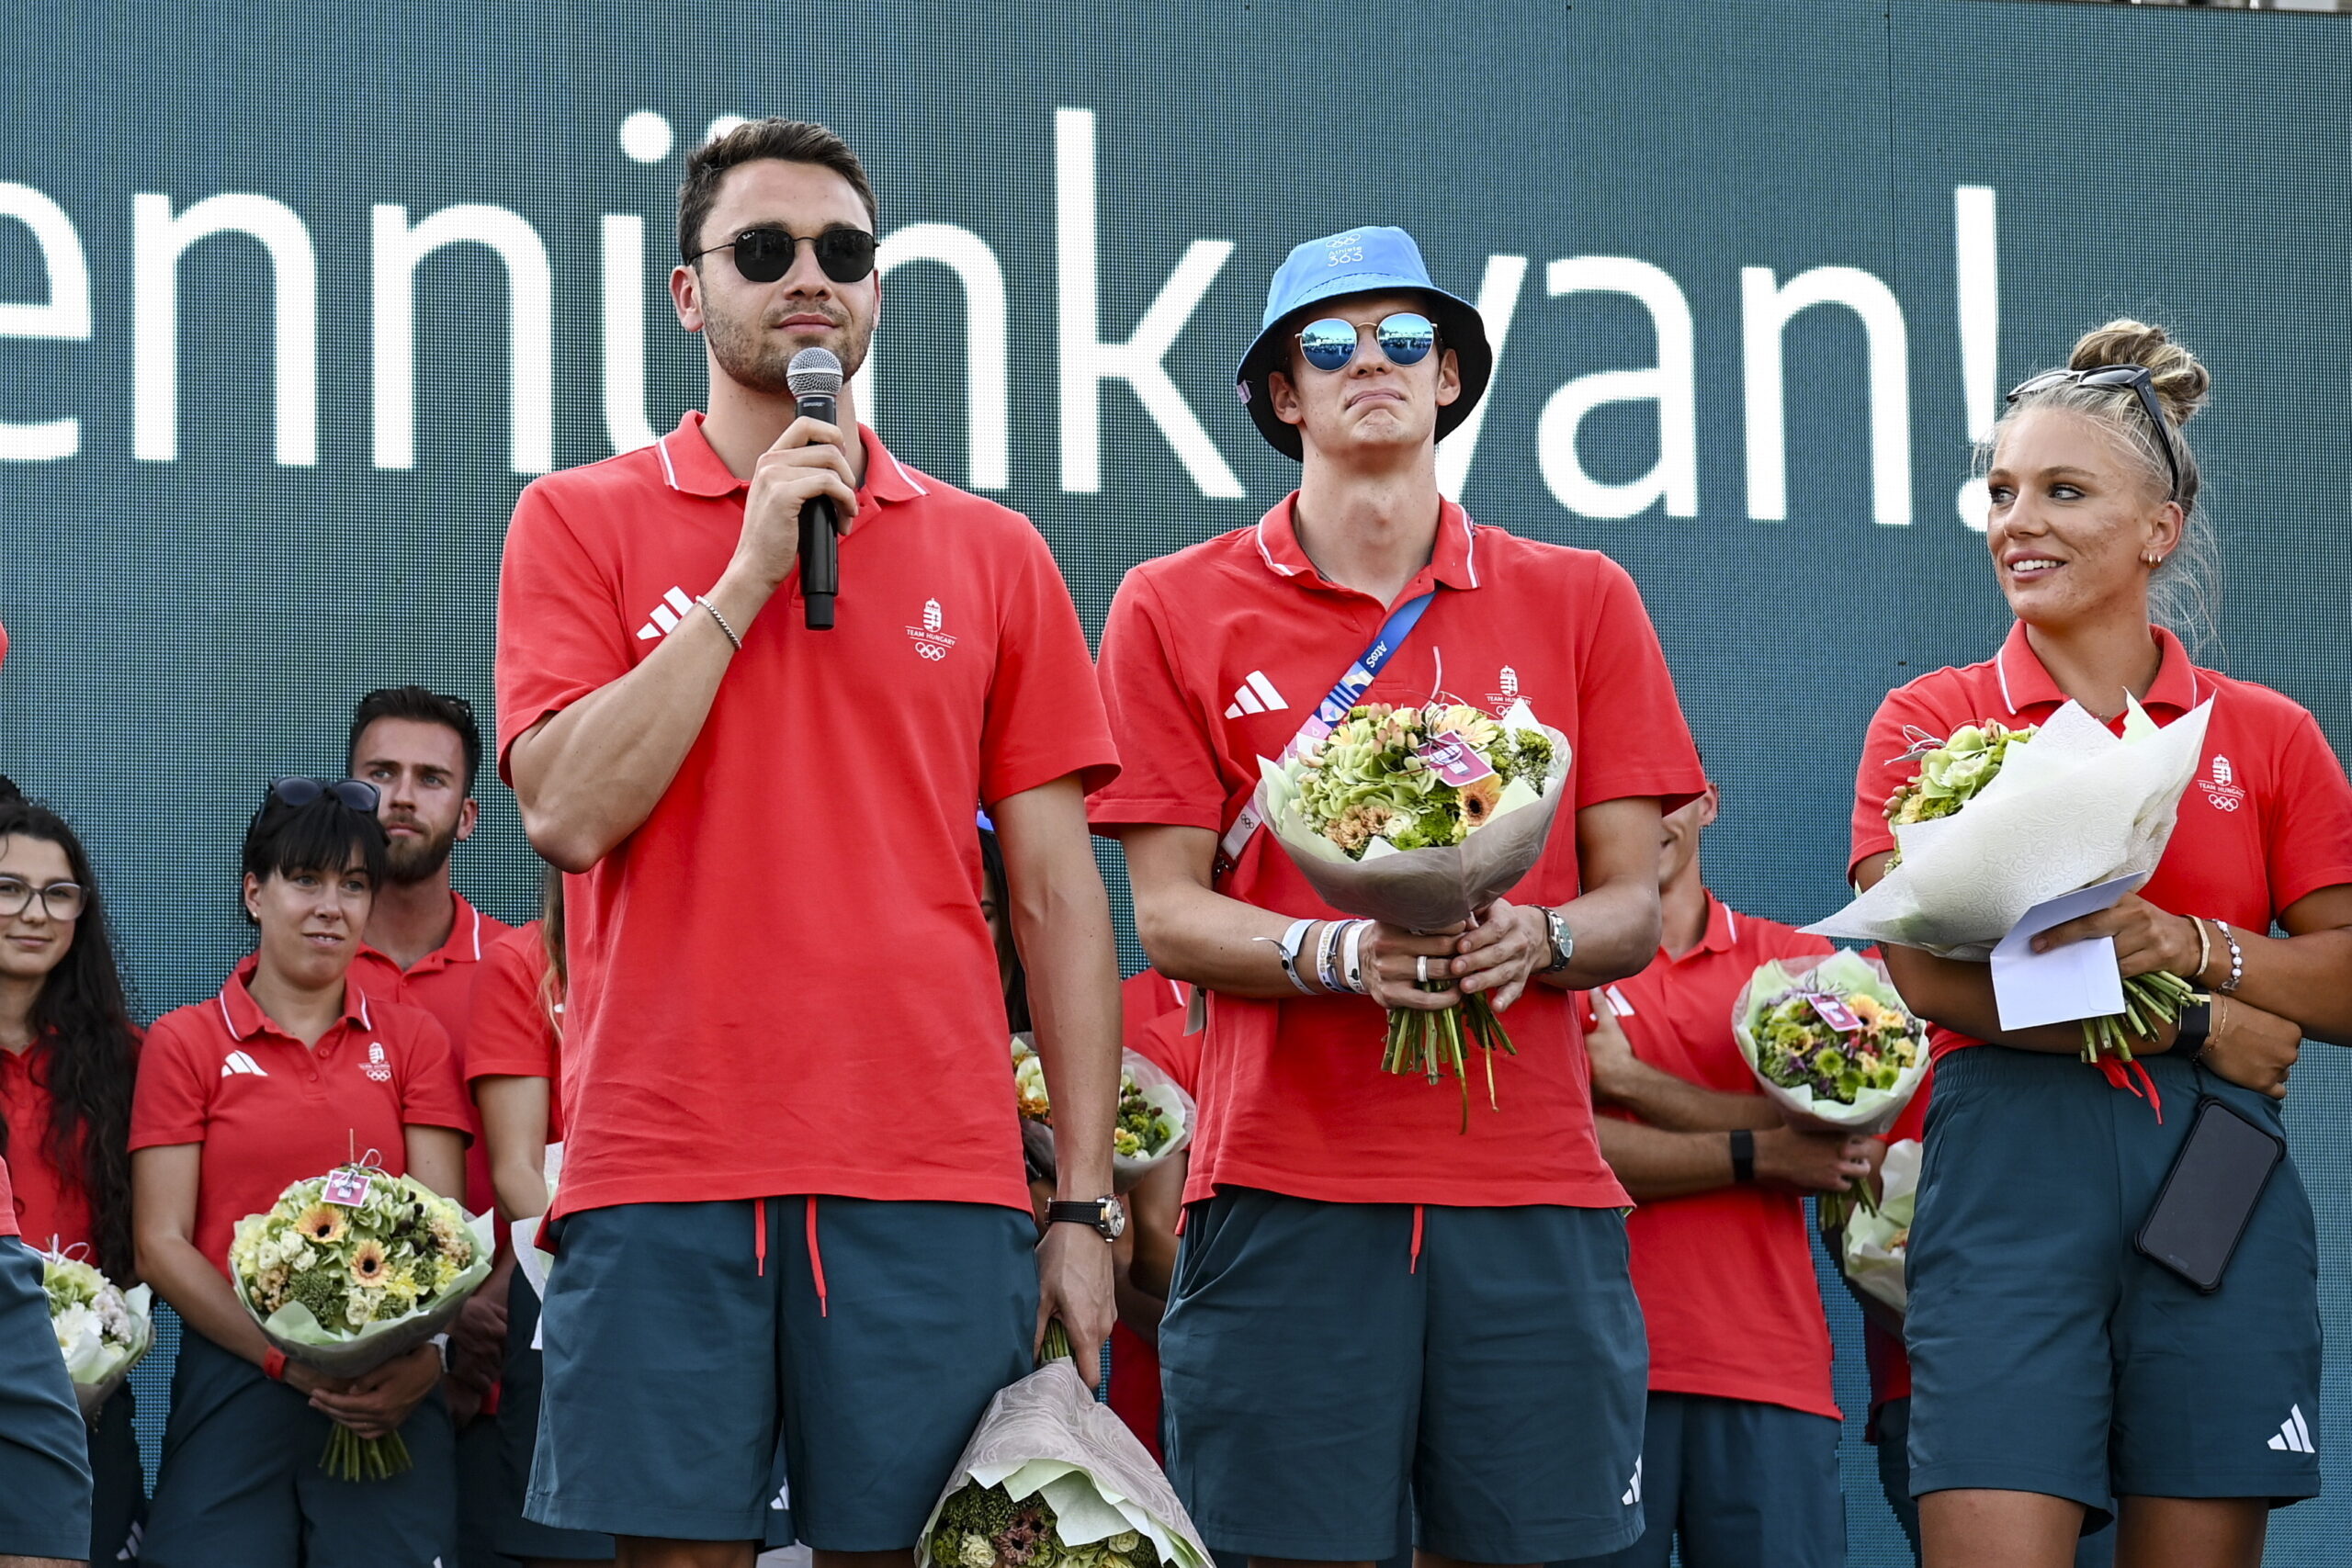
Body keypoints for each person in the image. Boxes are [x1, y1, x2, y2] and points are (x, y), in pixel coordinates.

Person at [494, 118, 1124, 1568]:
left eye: (843, 253)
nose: (807, 279)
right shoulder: (575, 520)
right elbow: (567, 811)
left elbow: (1056, 898)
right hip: (665, 1163)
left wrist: (1082, 1207)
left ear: (879, 293)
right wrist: (749, 567)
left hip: (932, 1172)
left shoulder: (994, 549)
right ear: (686, 291)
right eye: (762, 250)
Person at [1091, 224, 1704, 1568]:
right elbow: (1172, 916)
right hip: (1283, 1191)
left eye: (1405, 339)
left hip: (1533, 1194)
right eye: (1327, 343)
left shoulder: (1585, 596)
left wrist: (1532, 936)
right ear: (1283, 396)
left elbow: (1632, 912)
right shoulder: (1170, 604)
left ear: (1448, 382)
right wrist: (1333, 949)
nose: (1369, 359)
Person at [1851, 321, 2352, 1568]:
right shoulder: (1930, 718)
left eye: (2066, 491)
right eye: (2004, 491)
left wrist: (2189, 942)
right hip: (2008, 1169)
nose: (2021, 521)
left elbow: (2339, 977)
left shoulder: (2269, 733)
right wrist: (2199, 1020)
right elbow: (1926, 976)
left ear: (2158, 530)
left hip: (2215, 1178)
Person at [130, 779, 476, 1568]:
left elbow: (445, 1232)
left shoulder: (415, 1039)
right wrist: (287, 1356)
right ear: (255, 892)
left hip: (388, 1392)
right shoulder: (186, 1042)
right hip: (239, 1375)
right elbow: (161, 1243)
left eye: (354, 885)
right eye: (306, 879)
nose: (331, 905)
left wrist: (420, 1358)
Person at [1566, 782, 1864, 1568]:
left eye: (1670, 795)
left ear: (1709, 803)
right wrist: (1761, 1150)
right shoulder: (1552, 964)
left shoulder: (1798, 964)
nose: (1649, 819)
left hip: (1768, 1369)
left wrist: (1633, 1085)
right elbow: (1568, 1147)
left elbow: (1840, 1131)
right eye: (1622, 798)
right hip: (1590, 1379)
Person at [345, 684, 518, 1563]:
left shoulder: (523, 969)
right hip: (343, 1375)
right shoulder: (298, 970)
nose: (402, 796)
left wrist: (484, 1310)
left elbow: (573, 1158)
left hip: (508, 1363)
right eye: (379, 773)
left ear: (470, 813)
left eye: (430, 777)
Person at [0, 801, 143, 1562]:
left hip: (87, 1399)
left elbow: (154, 1235)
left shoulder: (125, 1062)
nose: (34, 912)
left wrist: (99, 1343)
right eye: (9, 887)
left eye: (58, 893)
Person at [467, 870, 614, 1568]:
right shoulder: (525, 962)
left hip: (699, 1292)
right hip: (574, 1288)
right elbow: (517, 1171)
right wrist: (605, 1276)